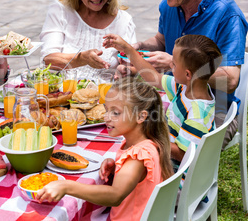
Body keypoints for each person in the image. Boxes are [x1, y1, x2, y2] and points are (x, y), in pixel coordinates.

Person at [125, 0, 248, 149]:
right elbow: (161, 39)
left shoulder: (227, 14)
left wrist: (175, 65)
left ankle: (178, 179)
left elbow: (231, 79)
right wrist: (139, 47)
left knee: (149, 144)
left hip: (213, 110)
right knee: (126, 126)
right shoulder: (169, 4)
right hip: (176, 99)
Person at [36, 78, 173, 220]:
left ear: (141, 116)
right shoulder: (145, 144)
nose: (106, 117)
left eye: (116, 113)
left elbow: (115, 195)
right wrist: (118, 167)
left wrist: (67, 187)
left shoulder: (138, 155)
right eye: (107, 110)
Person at [103, 33, 222, 162]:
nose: (170, 66)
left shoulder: (197, 114)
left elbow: (182, 154)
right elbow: (154, 78)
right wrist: (128, 50)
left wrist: (146, 139)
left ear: (187, 74)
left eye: (174, 64)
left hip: (174, 175)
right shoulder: (188, 87)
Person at [40, 0, 136, 79]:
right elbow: (49, 59)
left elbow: (135, 64)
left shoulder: (123, 21)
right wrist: (82, 58)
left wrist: (126, 70)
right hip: (64, 94)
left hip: (108, 95)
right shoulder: (60, 11)